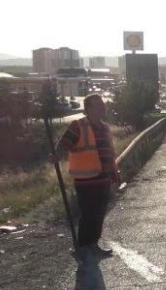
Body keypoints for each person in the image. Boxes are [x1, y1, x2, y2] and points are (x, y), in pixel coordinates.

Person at [50, 94, 121, 258]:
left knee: (99, 213)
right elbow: (64, 144)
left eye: (102, 105)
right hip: (85, 180)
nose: (102, 108)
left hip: (103, 179)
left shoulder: (105, 128)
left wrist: (114, 172)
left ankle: (93, 245)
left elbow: (109, 152)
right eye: (98, 105)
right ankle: (83, 247)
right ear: (88, 109)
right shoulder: (78, 126)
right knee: (88, 214)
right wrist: (57, 155)